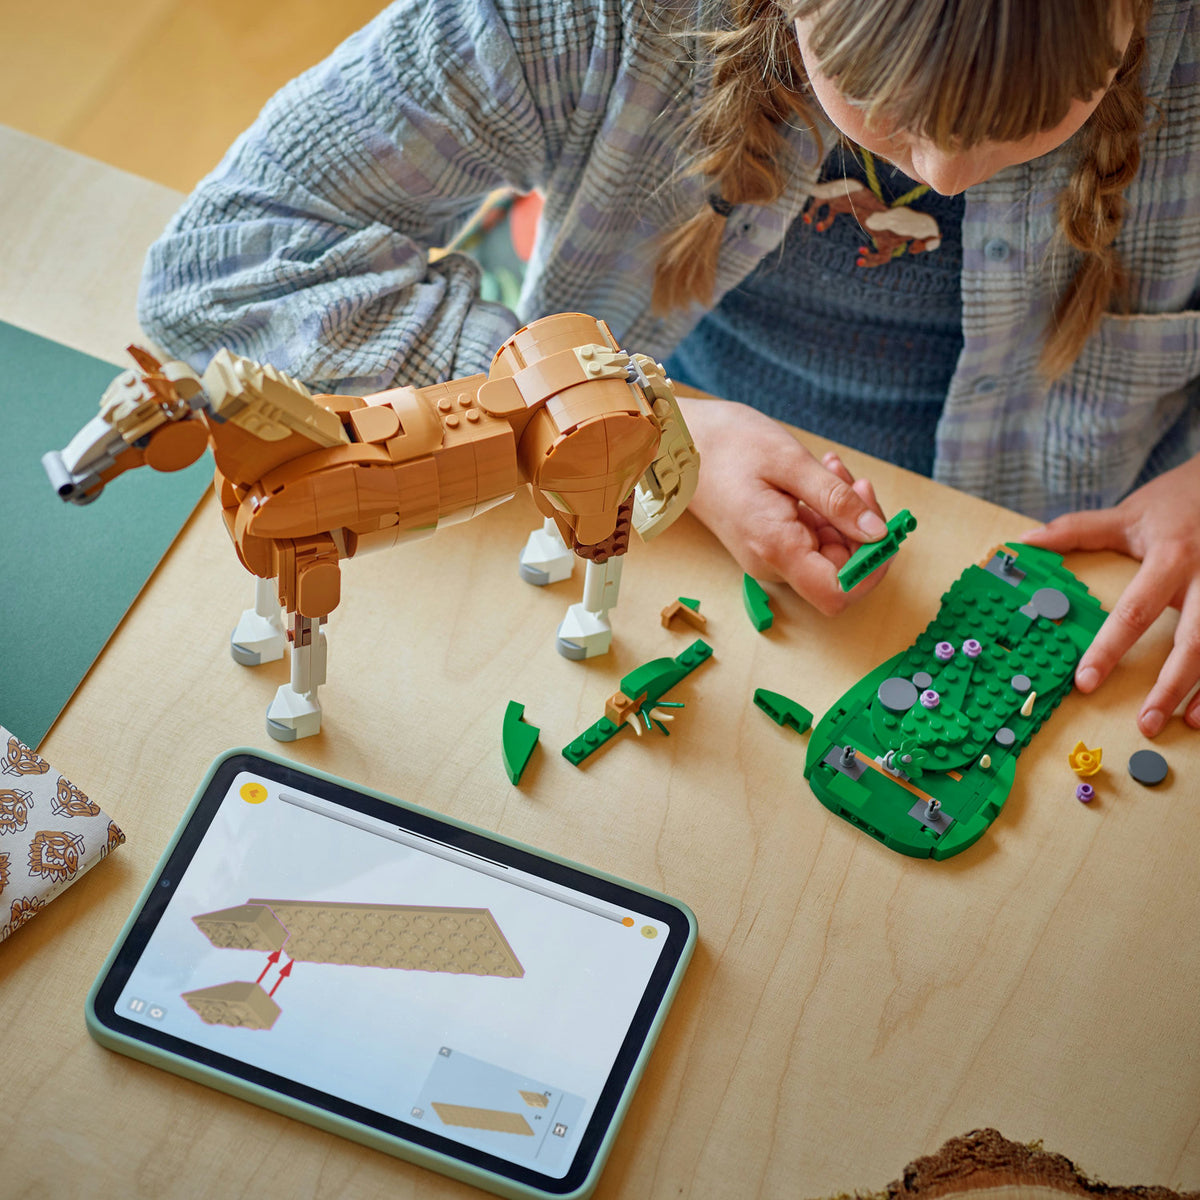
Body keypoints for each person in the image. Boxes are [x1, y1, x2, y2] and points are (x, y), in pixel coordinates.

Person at [137, 0, 1200, 738]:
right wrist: (651, 420)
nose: (943, 173)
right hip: (669, 522)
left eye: (1035, 121)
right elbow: (221, 267)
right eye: (891, 111)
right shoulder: (599, 21)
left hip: (1116, 569)